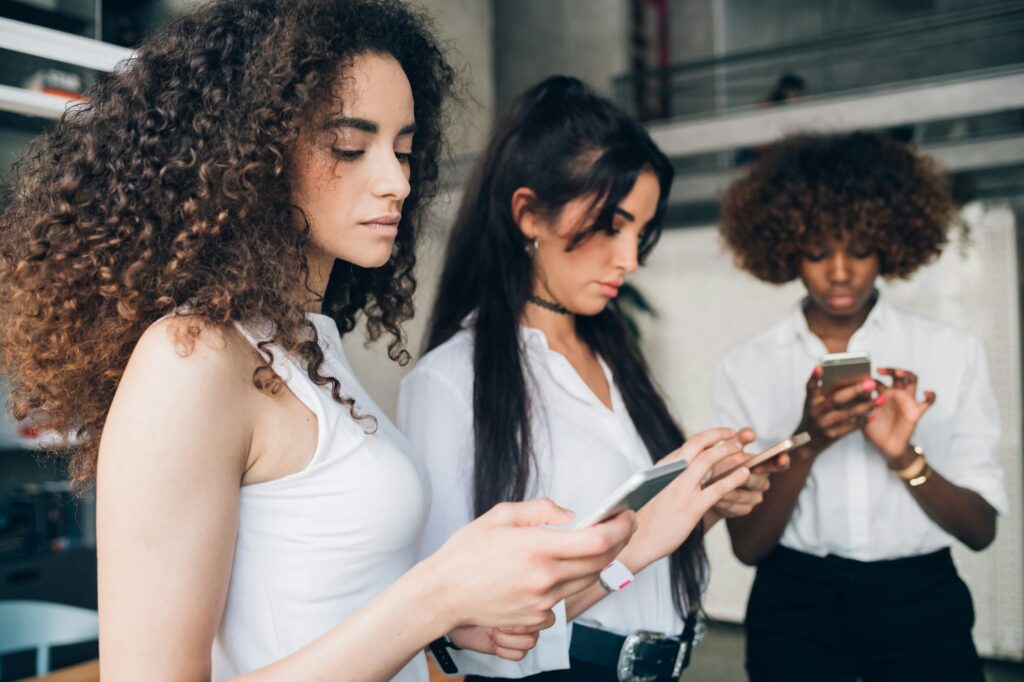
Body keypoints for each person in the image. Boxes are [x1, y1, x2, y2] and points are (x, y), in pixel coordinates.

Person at [0, 3, 637, 680]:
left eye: (404, 150)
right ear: (250, 154)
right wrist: (431, 598)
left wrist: (446, 623)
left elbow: (327, 609)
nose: (396, 180)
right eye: (349, 147)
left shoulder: (308, 344)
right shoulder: (192, 357)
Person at [398, 76, 783, 681]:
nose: (630, 258)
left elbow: (649, 554)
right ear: (529, 214)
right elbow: (458, 633)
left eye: (640, 232)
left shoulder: (614, 357)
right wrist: (640, 539)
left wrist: (701, 505)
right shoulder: (449, 382)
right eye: (612, 225)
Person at [715, 132, 1007, 682]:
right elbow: (749, 547)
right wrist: (808, 441)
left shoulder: (952, 352)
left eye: (860, 248)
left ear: (891, 242)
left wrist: (904, 458)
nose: (841, 272)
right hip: (794, 607)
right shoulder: (746, 366)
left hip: (921, 604)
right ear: (784, 248)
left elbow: (979, 530)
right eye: (817, 252)